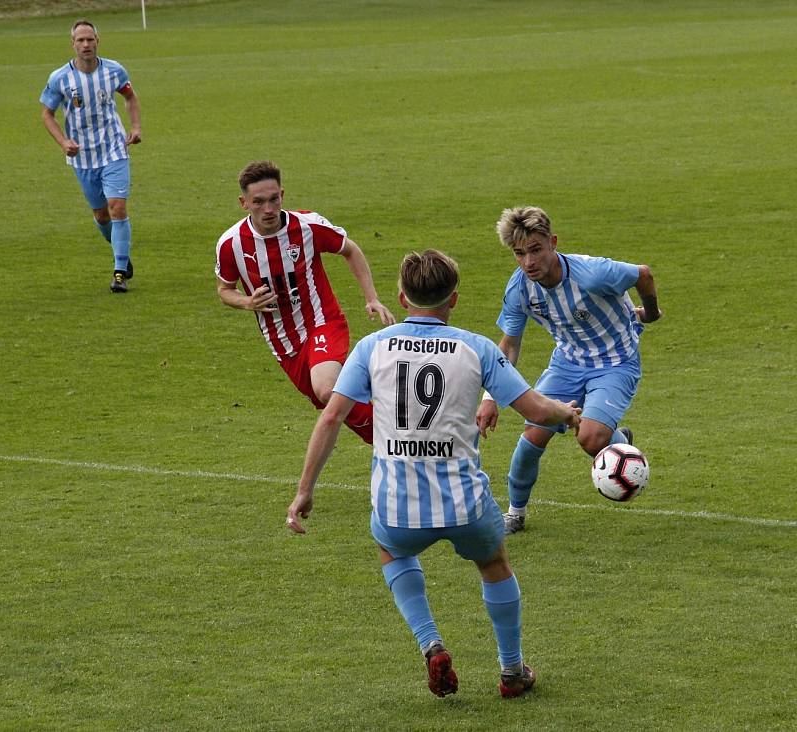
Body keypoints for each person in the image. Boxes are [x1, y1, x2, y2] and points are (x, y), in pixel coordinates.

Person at [286, 250, 581, 698]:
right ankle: (511, 671)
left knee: (392, 551)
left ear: (402, 299)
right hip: (465, 504)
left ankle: (432, 643)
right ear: (454, 300)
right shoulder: (476, 348)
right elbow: (536, 409)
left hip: (396, 509)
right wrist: (568, 413)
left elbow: (330, 419)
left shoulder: (372, 347)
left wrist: (304, 490)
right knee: (494, 562)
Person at [476, 206, 662, 534]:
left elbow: (643, 274)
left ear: (553, 243)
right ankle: (515, 513)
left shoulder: (592, 273)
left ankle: (613, 441)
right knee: (532, 436)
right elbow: (508, 346)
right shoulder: (520, 289)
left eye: (535, 250)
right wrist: (491, 397)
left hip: (616, 363)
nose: (529, 262)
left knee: (591, 440)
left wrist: (649, 313)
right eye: (519, 254)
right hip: (567, 363)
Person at [215, 160, 395, 444]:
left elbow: (350, 250)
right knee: (336, 404)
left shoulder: (307, 226)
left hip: (323, 321)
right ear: (243, 203)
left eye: (274, 199)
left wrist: (371, 297)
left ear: (282, 195)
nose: (269, 209)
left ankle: (399, 437)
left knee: (327, 390)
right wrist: (247, 302)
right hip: (283, 342)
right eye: (259, 202)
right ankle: (394, 440)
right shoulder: (231, 244)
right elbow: (225, 289)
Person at [40, 19, 142, 294]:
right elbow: (47, 114)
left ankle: (119, 272)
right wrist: (63, 142)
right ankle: (122, 252)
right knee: (101, 215)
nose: (86, 44)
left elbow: (130, 97)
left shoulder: (114, 70)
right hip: (83, 156)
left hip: (113, 149)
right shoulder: (60, 78)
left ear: (98, 41)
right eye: (80, 40)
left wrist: (135, 128)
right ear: (72, 44)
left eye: (90, 39)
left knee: (117, 207)